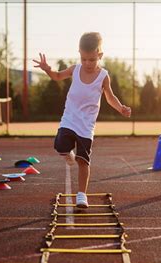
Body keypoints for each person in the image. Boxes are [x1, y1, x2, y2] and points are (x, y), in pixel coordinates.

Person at [33, 32, 131, 208]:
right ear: (79, 53)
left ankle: (81, 195)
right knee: (60, 145)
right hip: (69, 119)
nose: (87, 63)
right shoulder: (74, 69)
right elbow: (57, 76)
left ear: (99, 55)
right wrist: (47, 69)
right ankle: (67, 154)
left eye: (92, 60)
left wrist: (121, 108)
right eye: (84, 59)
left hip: (86, 126)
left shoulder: (103, 76)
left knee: (83, 161)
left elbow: (110, 97)